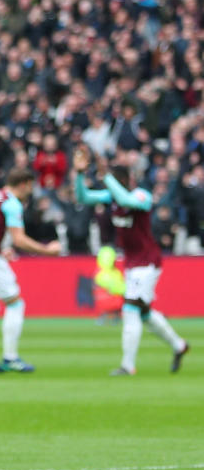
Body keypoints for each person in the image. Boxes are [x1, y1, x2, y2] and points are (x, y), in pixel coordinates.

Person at [73, 149, 189, 375]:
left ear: (126, 180)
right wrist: (79, 174)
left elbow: (126, 199)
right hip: (132, 263)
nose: (110, 187)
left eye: (114, 181)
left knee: (130, 308)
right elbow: (83, 197)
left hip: (147, 262)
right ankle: (179, 346)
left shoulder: (141, 196)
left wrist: (105, 175)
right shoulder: (112, 197)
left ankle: (127, 365)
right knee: (143, 312)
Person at [0, 168, 62, 373]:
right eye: (31, 186)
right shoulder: (12, 202)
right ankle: (11, 358)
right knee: (15, 303)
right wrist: (47, 251)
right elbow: (19, 239)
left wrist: (0, 249)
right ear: (25, 183)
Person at [93, 245, 124, 324]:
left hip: (109, 300)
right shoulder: (103, 273)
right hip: (111, 300)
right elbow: (117, 287)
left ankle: (114, 316)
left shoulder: (113, 272)